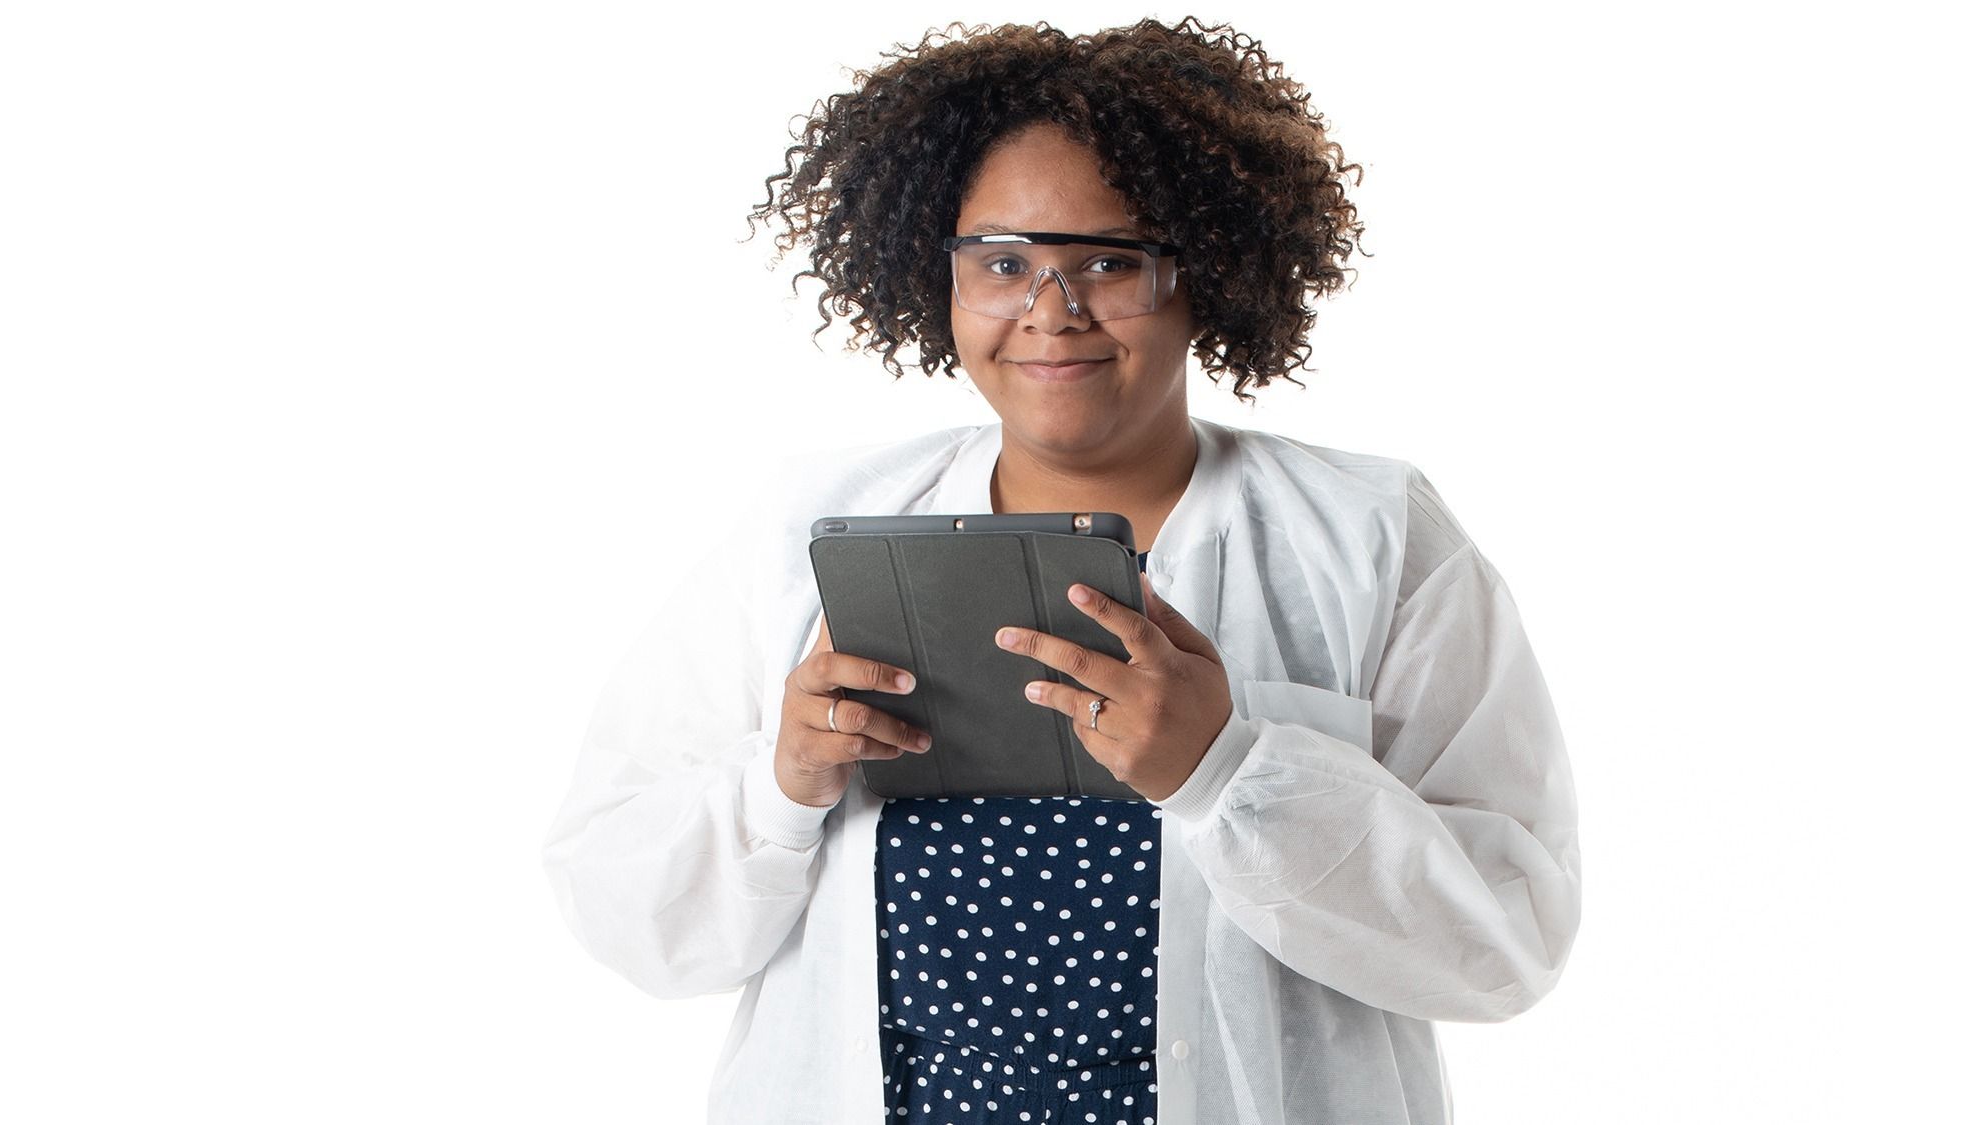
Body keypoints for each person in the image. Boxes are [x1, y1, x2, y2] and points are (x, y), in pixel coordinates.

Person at [542, 17, 1581, 1125]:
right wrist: (783, 784)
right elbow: (620, 907)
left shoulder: (1371, 536)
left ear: (1207, 273)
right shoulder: (806, 531)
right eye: (1001, 263)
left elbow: (1504, 944)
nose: (1050, 311)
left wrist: (1227, 772)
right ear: (934, 280)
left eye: (1107, 261)